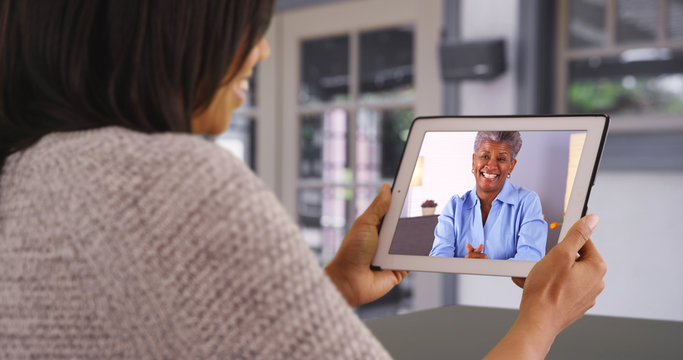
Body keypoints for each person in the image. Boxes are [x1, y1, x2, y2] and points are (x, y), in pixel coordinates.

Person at [0, 1, 606, 358]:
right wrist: (540, 319)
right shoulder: (173, 182)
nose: (261, 51)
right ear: (170, 31)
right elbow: (461, 252)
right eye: (246, 24)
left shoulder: (27, 170)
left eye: (500, 160)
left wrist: (326, 294)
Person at [429, 131, 547, 260]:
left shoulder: (527, 202)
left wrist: (486, 269)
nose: (491, 166)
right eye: (485, 156)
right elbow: (438, 261)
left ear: (511, 166)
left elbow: (529, 261)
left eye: (501, 159)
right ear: (474, 161)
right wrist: (466, 268)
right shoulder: (454, 207)